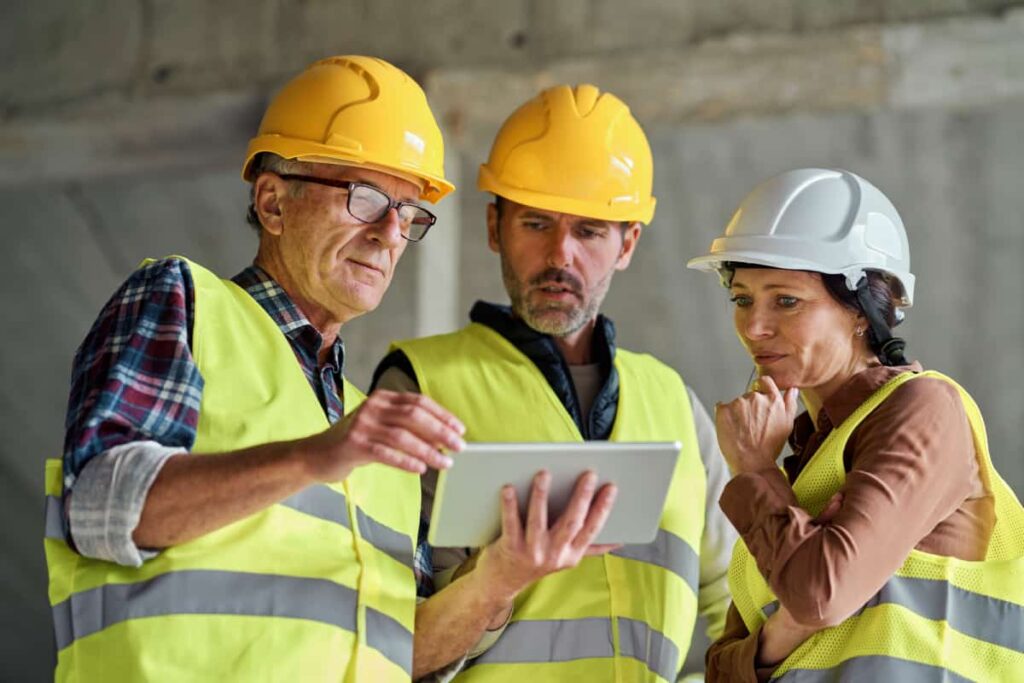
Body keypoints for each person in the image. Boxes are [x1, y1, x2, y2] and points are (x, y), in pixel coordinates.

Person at [42, 56, 467, 682]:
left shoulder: (373, 435)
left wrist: (508, 574)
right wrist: (315, 458)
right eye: (366, 197)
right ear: (273, 203)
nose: (389, 234)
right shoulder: (186, 302)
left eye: (408, 213)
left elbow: (405, 656)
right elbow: (102, 512)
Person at [373, 84, 737, 682]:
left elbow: (741, 608)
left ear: (628, 244)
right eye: (536, 222)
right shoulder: (418, 387)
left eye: (590, 231)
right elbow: (385, 642)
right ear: (495, 227)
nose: (559, 254)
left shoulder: (675, 401)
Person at [687, 167, 1024, 681]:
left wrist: (754, 468)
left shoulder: (923, 410)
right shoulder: (801, 468)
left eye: (786, 300)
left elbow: (820, 595)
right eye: (742, 299)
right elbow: (721, 670)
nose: (754, 327)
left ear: (864, 310)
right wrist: (782, 633)